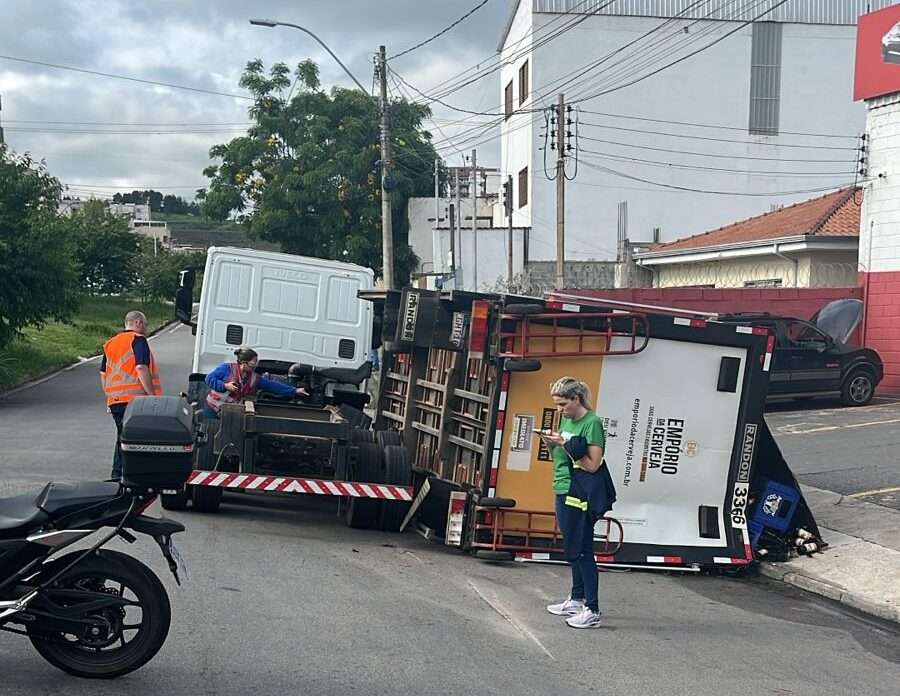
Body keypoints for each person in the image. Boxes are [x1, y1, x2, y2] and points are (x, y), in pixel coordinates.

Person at [538, 376, 615, 629]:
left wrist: (565, 443)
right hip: (562, 486)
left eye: (563, 404)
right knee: (572, 546)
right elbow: (560, 457)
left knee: (582, 549)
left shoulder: (592, 423)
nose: (560, 410)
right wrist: (552, 445)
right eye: (557, 405)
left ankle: (592, 609)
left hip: (579, 491)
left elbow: (592, 465)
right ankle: (577, 597)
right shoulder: (567, 420)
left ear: (576, 399)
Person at [100, 310, 162, 480]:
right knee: (135, 439)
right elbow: (141, 367)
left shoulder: (110, 343)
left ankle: (117, 475)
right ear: (137, 323)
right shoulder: (138, 340)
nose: (146, 328)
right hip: (135, 400)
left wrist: (109, 398)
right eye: (145, 324)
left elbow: (103, 374)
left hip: (115, 400)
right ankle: (128, 476)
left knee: (123, 436)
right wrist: (151, 395)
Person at [204, 347, 308, 417]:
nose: (255, 366)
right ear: (243, 363)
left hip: (228, 412)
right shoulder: (226, 368)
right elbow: (209, 378)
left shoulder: (254, 378)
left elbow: (272, 385)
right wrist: (225, 386)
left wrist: (294, 390)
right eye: (253, 363)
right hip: (212, 408)